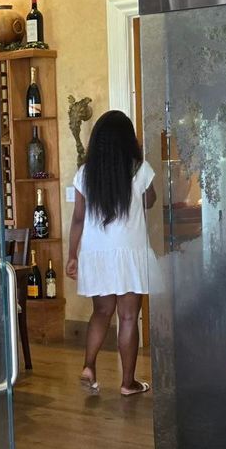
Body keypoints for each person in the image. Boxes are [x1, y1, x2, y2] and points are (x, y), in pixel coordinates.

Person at [65, 109, 156, 395]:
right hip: (130, 252)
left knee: (101, 313)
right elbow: (150, 202)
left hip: (96, 253)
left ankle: (89, 367)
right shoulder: (139, 169)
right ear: (128, 139)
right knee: (129, 317)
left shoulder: (85, 174)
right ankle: (128, 384)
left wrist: (72, 254)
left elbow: (78, 217)